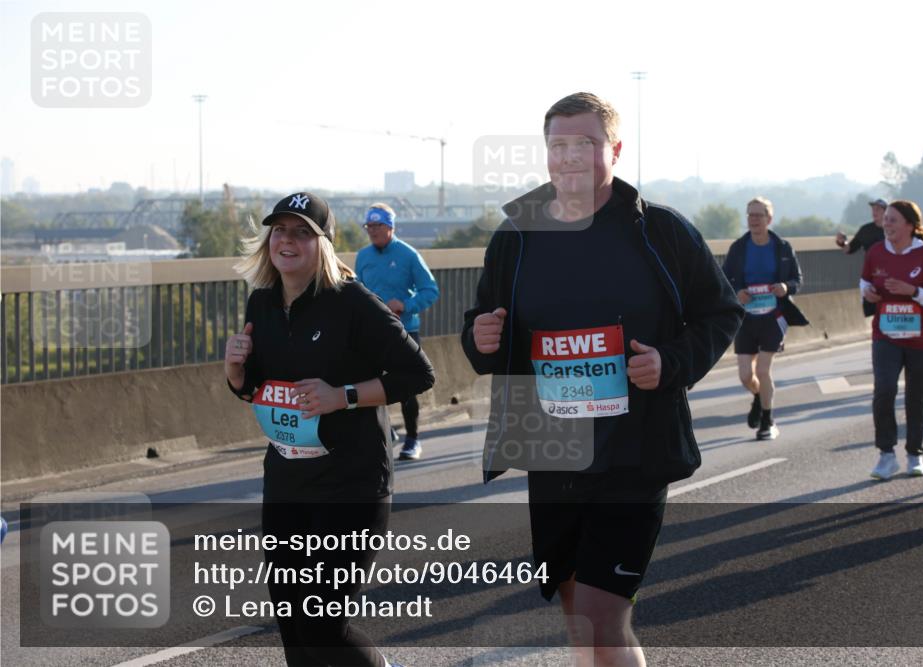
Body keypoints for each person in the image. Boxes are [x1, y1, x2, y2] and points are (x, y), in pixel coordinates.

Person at [461, 92, 743, 667]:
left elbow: (721, 312)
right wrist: (478, 338)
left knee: (599, 612)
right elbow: (483, 323)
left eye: (584, 144)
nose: (568, 158)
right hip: (552, 447)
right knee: (574, 606)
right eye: (557, 145)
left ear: (613, 149)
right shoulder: (516, 235)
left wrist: (671, 363)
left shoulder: (659, 231)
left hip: (635, 446)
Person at [225, 192, 434, 667]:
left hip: (351, 483)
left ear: (324, 244)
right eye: (280, 230)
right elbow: (256, 388)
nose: (289, 240)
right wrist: (236, 372)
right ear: (268, 240)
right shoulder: (261, 302)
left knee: (321, 623)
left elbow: (418, 374)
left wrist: (344, 396)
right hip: (287, 482)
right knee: (292, 622)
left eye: (303, 231)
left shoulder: (352, 302)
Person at [861, 200, 923, 480]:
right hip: (886, 333)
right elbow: (864, 282)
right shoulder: (875, 251)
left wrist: (913, 291)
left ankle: (914, 454)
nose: (887, 225)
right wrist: (868, 292)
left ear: (910, 225)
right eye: (885, 220)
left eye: (893, 220)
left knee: (916, 396)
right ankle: (886, 455)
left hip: (922, 337)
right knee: (883, 391)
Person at [355, 203, 440, 461]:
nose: (372, 231)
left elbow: (430, 290)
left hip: (405, 331)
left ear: (390, 227)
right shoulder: (363, 256)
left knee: (406, 387)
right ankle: (385, 432)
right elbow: (357, 291)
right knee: (366, 384)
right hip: (372, 333)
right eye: (369, 226)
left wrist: (405, 305)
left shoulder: (408, 254)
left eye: (377, 226)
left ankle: (412, 439)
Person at [722, 197, 808, 441]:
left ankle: (768, 421)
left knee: (763, 368)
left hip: (774, 315)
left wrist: (784, 286)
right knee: (745, 376)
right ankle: (760, 398)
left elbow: (797, 280)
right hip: (747, 318)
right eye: (750, 215)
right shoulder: (739, 248)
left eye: (759, 215)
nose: (754, 220)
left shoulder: (782, 247)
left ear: (769, 219)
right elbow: (725, 280)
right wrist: (737, 293)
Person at [836, 198, 888, 317]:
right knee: (873, 311)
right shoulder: (865, 230)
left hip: (890, 275)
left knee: (887, 308)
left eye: (878, 209)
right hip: (871, 276)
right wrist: (841, 242)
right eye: (873, 209)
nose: (874, 212)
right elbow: (849, 249)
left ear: (886, 211)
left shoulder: (892, 229)